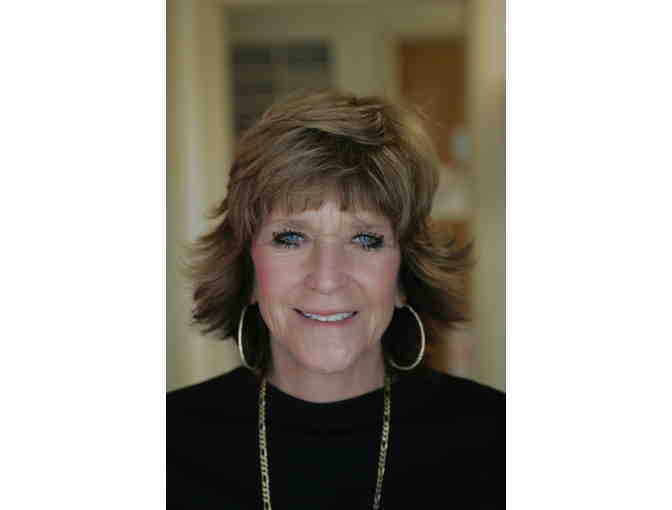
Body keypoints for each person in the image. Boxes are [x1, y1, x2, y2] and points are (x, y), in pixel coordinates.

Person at [167, 90, 504, 509]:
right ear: (248, 270)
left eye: (365, 240)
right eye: (291, 238)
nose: (326, 278)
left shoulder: (498, 441)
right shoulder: (168, 445)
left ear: (403, 275)